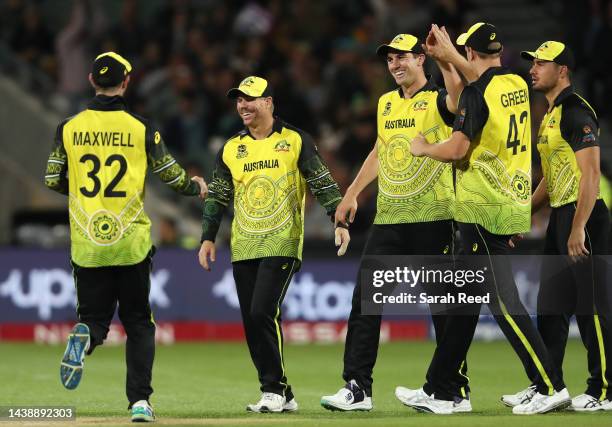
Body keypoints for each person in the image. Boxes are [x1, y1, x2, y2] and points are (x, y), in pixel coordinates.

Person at [400, 23, 570, 414]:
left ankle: (549, 385)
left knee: (504, 305)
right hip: (508, 202)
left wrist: (425, 148)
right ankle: (442, 389)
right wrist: (448, 63)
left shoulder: (479, 94)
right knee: (463, 304)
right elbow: (473, 93)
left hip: (479, 208)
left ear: (471, 54)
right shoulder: (515, 84)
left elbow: (459, 149)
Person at [44, 52, 207, 422]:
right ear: (126, 82)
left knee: (95, 319)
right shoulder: (142, 128)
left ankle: (85, 335)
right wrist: (193, 185)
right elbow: (170, 175)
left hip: (88, 243)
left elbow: (52, 178)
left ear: (90, 80)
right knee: (137, 322)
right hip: (130, 241)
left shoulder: (67, 127)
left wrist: (80, 193)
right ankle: (140, 403)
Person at [319, 33, 471, 412]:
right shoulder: (386, 103)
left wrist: (446, 58)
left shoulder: (438, 97)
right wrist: (352, 192)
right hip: (390, 217)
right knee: (365, 300)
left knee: (444, 306)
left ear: (421, 59)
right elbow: (380, 149)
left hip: (434, 215)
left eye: (403, 57)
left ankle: (454, 389)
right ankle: (358, 388)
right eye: (390, 59)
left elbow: (458, 99)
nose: (396, 64)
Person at [198, 76, 349, 413]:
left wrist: (338, 221)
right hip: (244, 245)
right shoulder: (231, 148)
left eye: (250, 99)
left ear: (268, 102)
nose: (243, 106)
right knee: (253, 320)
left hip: (282, 241)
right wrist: (208, 237)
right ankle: (283, 393)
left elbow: (322, 181)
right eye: (238, 100)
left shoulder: (295, 140)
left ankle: (274, 391)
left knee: (262, 311)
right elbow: (218, 197)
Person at [500, 41, 611, 412]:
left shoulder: (577, 111)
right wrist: (523, 216)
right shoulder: (551, 115)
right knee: (550, 305)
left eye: (541, 64)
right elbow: (550, 178)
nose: (533, 69)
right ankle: (549, 386)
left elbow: (591, 174)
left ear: (562, 70)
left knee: (591, 307)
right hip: (562, 218)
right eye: (532, 63)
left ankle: (604, 390)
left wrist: (578, 228)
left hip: (585, 217)